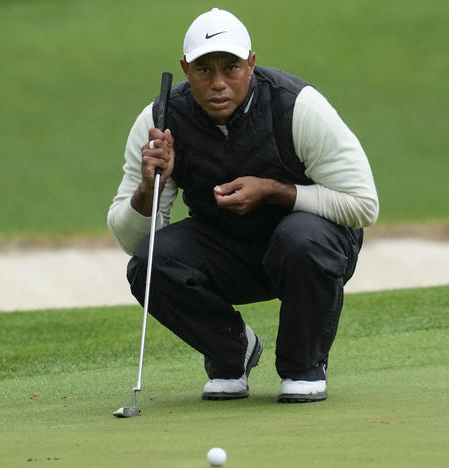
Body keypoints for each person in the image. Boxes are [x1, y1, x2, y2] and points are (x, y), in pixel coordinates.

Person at [107, 8, 378, 403]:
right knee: (150, 262)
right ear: (185, 69)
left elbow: (363, 205)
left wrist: (274, 191)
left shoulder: (297, 106)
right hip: (227, 251)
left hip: (306, 250)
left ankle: (304, 365)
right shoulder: (161, 120)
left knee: (301, 237)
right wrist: (149, 188)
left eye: (231, 67)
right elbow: (132, 241)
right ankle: (232, 351)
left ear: (251, 64)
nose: (218, 83)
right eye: (204, 69)